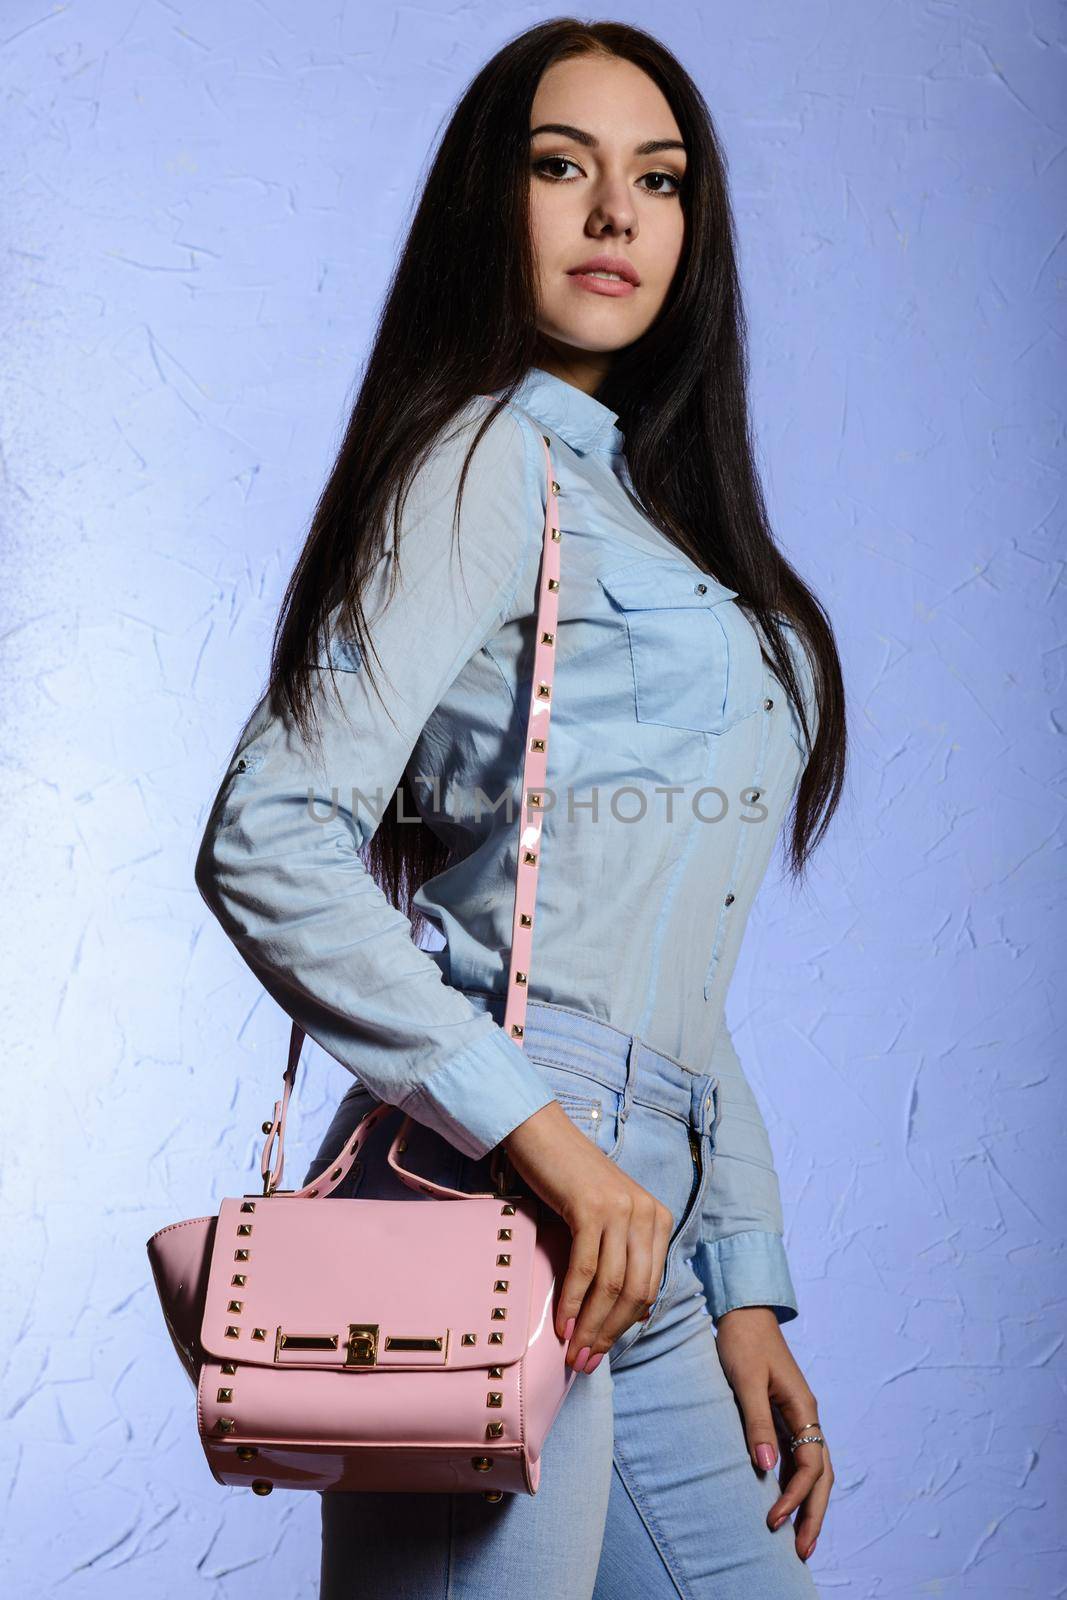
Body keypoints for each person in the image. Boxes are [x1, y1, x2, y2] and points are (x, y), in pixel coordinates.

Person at [194, 18, 846, 1599]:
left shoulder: (654, 511)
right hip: (505, 1192)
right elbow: (266, 835)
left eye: (661, 179)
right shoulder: (489, 460)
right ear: (496, 203)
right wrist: (551, 1147)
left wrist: (740, 1274)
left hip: (641, 1222)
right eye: (565, 167)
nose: (617, 214)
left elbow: (665, 956)